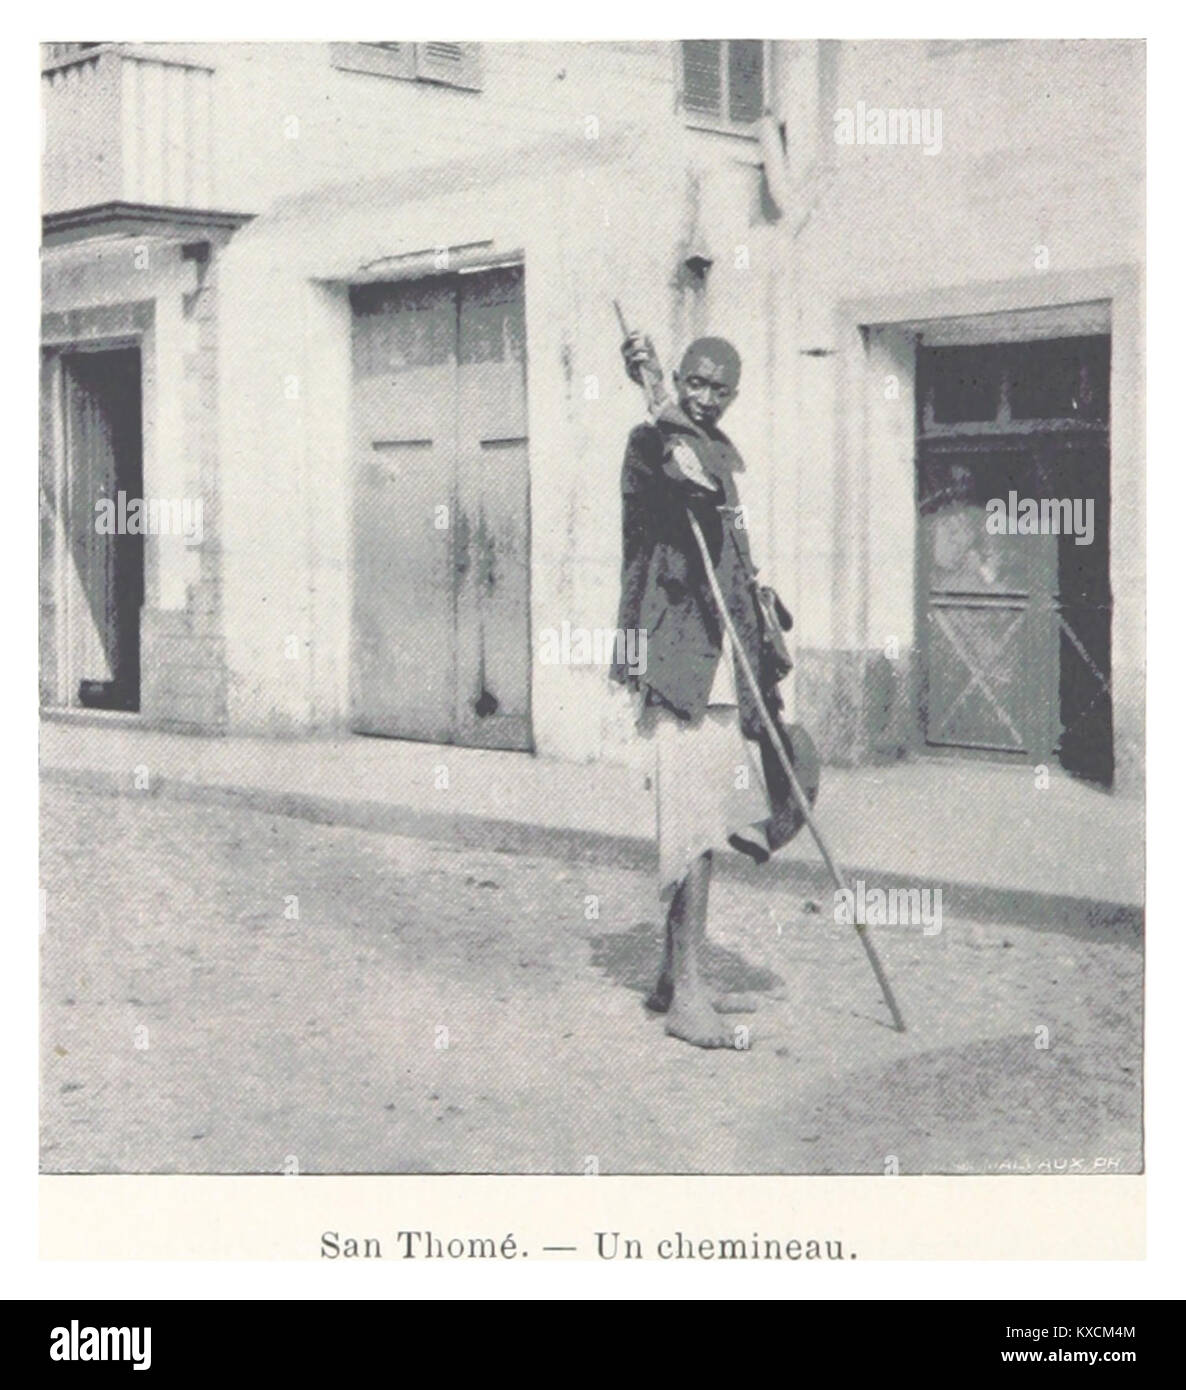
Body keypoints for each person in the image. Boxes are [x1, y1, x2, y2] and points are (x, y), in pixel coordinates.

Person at [611, 332, 805, 1048]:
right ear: (679, 380)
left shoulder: (719, 456)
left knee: (706, 822)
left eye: (719, 389)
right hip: (676, 657)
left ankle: (672, 974)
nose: (705, 396)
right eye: (695, 382)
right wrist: (655, 387)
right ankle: (690, 999)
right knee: (689, 828)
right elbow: (676, 476)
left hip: (724, 662)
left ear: (734, 394)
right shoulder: (650, 444)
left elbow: (727, 539)